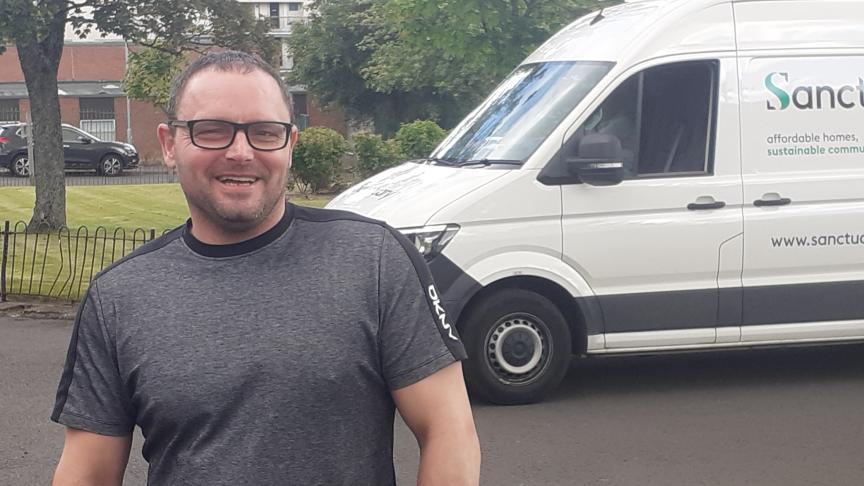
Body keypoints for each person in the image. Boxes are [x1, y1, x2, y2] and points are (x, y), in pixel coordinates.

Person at [50, 51, 481, 486]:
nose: (241, 152)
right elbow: (87, 472)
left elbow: (448, 430)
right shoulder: (120, 297)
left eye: (264, 132)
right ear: (168, 144)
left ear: (290, 144)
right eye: (212, 131)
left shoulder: (374, 259)